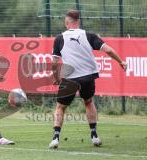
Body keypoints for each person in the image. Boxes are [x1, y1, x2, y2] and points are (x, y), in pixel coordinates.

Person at [49, 10, 127, 149]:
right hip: (88, 76)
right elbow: (108, 50)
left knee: (61, 107)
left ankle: (55, 138)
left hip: (70, 78)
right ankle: (94, 136)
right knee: (88, 102)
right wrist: (120, 61)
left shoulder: (59, 38)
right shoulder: (89, 35)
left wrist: (56, 78)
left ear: (66, 23)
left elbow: (55, 62)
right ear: (78, 21)